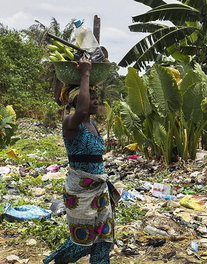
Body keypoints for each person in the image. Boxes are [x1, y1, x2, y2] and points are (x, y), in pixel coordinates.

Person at [44, 57, 119, 264]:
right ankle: (57, 260)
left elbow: (86, 112)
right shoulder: (70, 123)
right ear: (78, 102)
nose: (96, 101)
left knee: (104, 237)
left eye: (96, 98)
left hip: (99, 187)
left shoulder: (92, 124)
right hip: (80, 191)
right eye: (91, 97)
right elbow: (82, 111)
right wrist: (85, 73)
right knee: (81, 240)